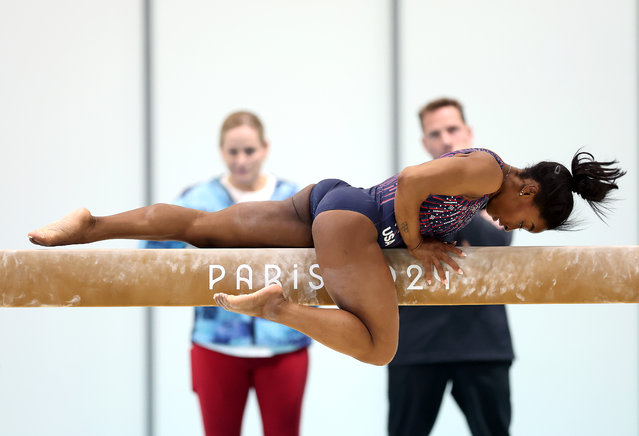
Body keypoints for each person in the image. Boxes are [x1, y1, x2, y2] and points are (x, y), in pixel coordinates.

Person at [28, 141, 624, 367]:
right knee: (379, 346)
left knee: (205, 228)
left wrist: (428, 235)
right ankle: (279, 308)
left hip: (332, 202)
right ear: (527, 192)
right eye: (530, 221)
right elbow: (414, 178)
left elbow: (424, 192)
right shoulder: (488, 169)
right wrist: (415, 242)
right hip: (357, 224)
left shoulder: (485, 180)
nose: (514, 224)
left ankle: (91, 224)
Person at [140, 111, 311, 436]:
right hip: (216, 345)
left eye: (249, 151)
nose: (241, 160)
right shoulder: (197, 200)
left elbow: (320, 262)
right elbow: (150, 260)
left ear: (265, 148)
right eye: (233, 152)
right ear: (221, 151)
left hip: (284, 343)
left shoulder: (294, 200)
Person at [387, 98, 514, 436]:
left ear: (468, 132)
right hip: (417, 343)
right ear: (425, 143)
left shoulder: (498, 192)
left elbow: (498, 244)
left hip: (481, 342)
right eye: (435, 133)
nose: (446, 138)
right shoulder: (408, 193)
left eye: (452, 129)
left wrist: (461, 191)